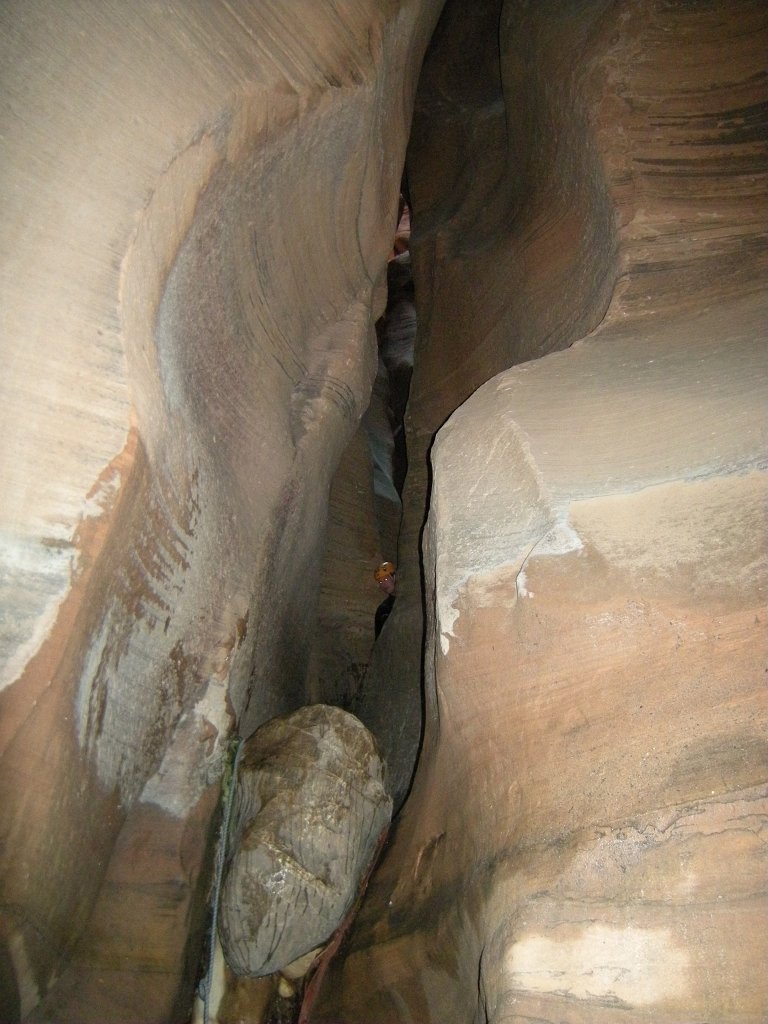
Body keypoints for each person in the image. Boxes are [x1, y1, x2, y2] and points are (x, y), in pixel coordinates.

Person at [373, 561, 396, 638]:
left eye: (385, 579)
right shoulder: (383, 609)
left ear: (394, 577)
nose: (383, 584)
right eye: (380, 582)